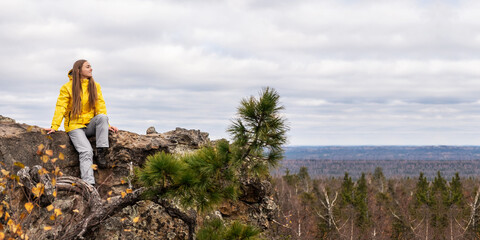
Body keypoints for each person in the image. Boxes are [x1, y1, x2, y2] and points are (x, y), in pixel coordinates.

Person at [44, 59, 118, 186]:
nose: (91, 69)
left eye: (91, 67)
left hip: (89, 125)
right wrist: (54, 126)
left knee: (102, 118)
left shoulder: (95, 86)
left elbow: (100, 107)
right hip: (74, 127)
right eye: (88, 67)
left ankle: (101, 152)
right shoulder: (67, 88)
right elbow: (60, 107)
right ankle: (89, 185)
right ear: (79, 70)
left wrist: (107, 126)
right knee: (86, 151)